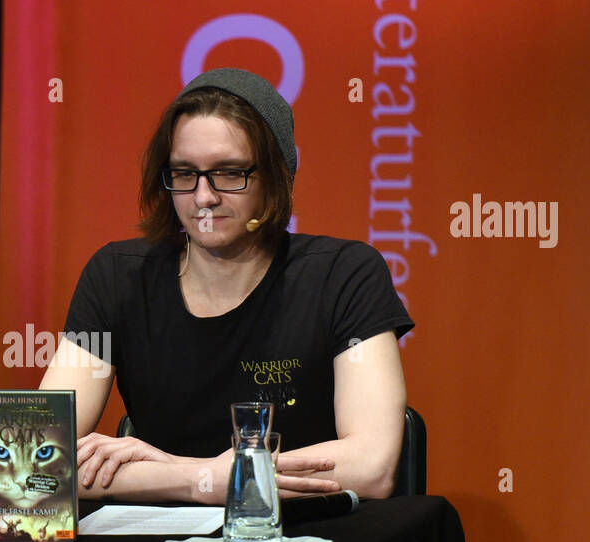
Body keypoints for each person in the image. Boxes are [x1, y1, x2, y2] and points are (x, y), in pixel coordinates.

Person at [40, 68, 412, 502]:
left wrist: (187, 472)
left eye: (229, 173)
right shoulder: (115, 277)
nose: (203, 197)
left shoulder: (345, 274)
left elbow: (371, 468)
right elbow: (36, 465)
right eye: (184, 173)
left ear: (275, 177)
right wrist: (205, 481)